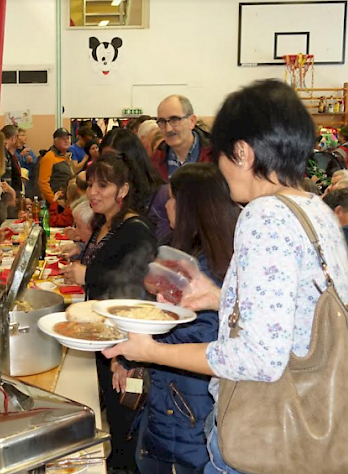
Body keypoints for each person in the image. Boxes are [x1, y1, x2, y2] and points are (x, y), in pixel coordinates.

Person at [103, 79, 348, 474]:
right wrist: (219, 297)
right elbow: (297, 315)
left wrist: (151, 353)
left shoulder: (264, 215)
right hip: (315, 426)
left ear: (242, 152)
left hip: (264, 435)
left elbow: (258, 358)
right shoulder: (313, 209)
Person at [128, 163, 240, 474]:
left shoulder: (205, 267)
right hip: (175, 399)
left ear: (192, 206)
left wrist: (137, 339)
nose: (166, 204)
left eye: (173, 198)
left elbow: (200, 334)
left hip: (186, 408)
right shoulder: (205, 253)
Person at [62, 152, 158, 473]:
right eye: (90, 184)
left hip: (124, 342)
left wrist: (125, 358)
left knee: (127, 427)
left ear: (123, 190)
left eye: (103, 185)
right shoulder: (103, 223)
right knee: (114, 423)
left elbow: (137, 286)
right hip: (103, 338)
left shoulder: (136, 229)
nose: (93, 193)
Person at [100, 128, 170, 243]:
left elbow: (160, 244)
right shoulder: (111, 193)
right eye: (104, 160)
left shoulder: (159, 195)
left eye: (113, 159)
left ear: (131, 159)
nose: (109, 166)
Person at [150, 95, 213, 180]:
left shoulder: (215, 157)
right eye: (162, 122)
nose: (168, 129)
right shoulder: (155, 161)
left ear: (192, 121)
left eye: (175, 120)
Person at [38, 127, 72, 203]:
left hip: (67, 200)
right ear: (55, 141)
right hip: (57, 202)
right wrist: (54, 201)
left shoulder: (67, 157)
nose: (66, 141)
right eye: (63, 139)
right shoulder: (49, 157)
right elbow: (43, 183)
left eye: (68, 138)